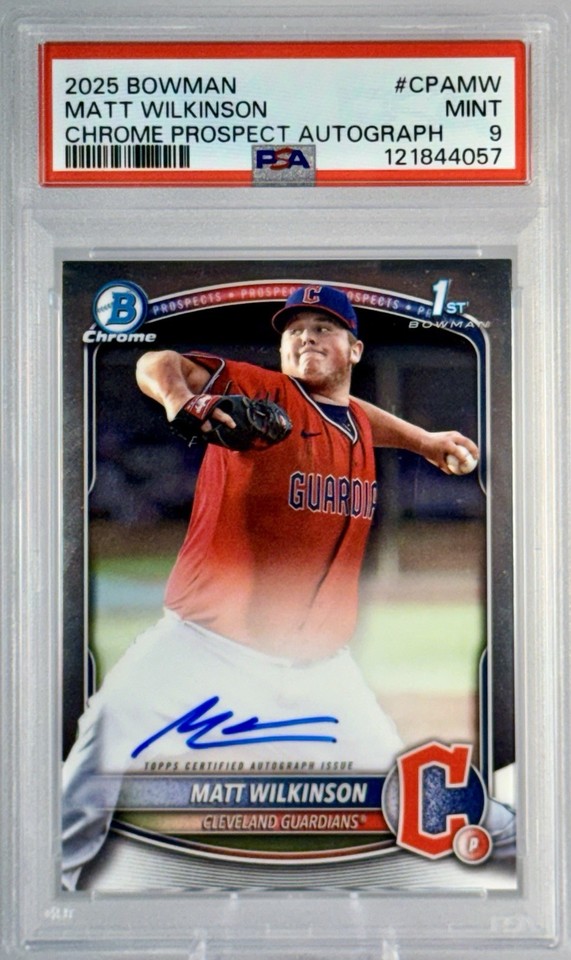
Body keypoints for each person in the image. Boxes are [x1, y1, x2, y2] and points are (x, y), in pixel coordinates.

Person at [61, 285, 481, 888]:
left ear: (355, 350)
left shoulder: (355, 425)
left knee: (398, 792)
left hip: (319, 668)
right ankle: (44, 891)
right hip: (203, 644)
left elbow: (360, 416)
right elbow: (158, 362)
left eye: (323, 327)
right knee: (105, 739)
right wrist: (183, 401)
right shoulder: (265, 394)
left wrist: (425, 441)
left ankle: (437, 901)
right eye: (294, 329)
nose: (305, 336)